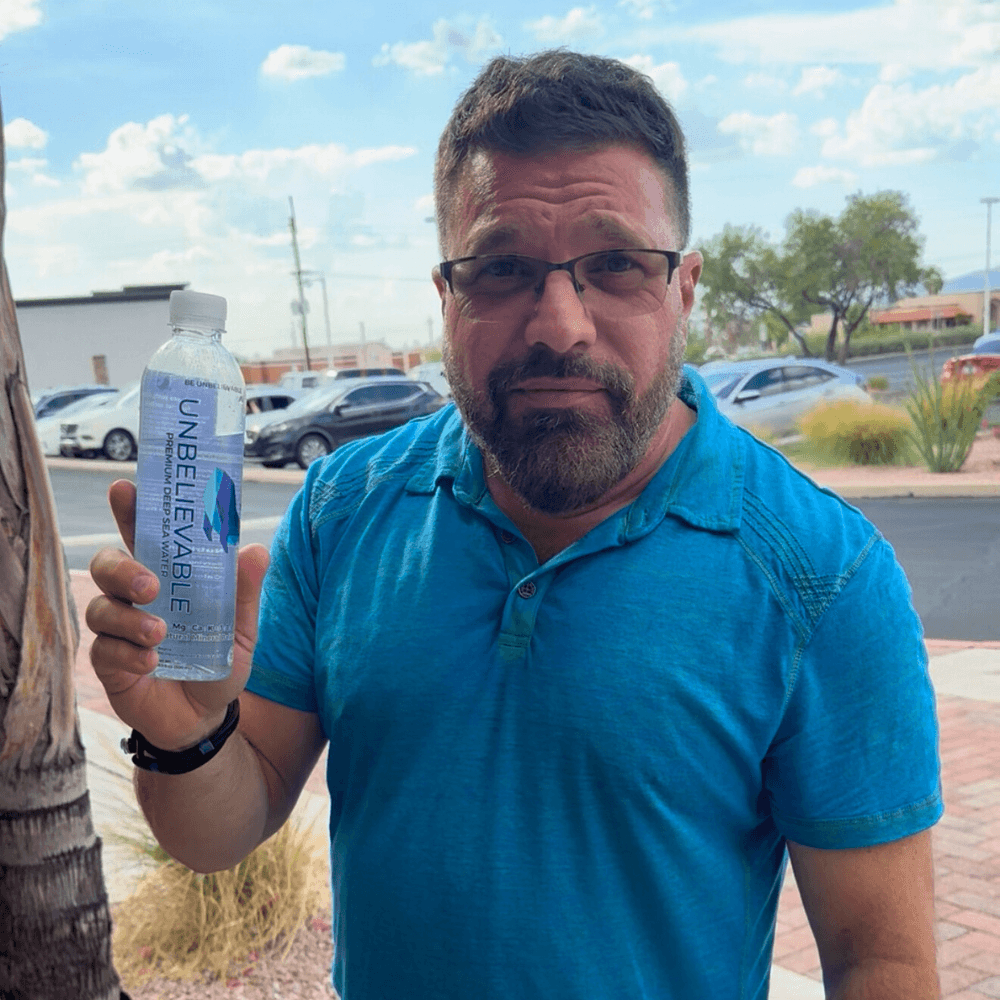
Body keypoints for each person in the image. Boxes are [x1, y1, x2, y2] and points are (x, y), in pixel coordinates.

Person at [87, 50, 942, 999]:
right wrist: (186, 734)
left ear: (686, 289)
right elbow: (217, 833)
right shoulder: (344, 509)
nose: (559, 324)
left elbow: (882, 963)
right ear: (447, 295)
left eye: (615, 265)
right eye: (502, 269)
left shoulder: (823, 575)